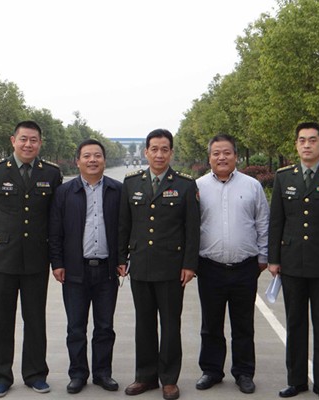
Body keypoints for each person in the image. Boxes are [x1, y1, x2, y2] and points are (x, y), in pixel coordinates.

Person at [268, 122, 319, 400]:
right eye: (302, 140)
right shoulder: (284, 177)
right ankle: (296, 381)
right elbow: (277, 221)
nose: (307, 145)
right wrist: (273, 259)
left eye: (312, 140)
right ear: (296, 145)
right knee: (295, 324)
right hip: (291, 262)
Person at [0, 120, 62, 398]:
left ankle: (36, 374)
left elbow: (53, 215)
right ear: (13, 140)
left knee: (35, 319)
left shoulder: (51, 173)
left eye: (33, 140)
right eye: (23, 139)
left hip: (36, 257)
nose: (28, 144)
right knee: (0, 319)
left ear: (40, 143)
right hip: (2, 257)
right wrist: (9, 235)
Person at [118, 128, 200, 400]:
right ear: (146, 152)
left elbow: (192, 229)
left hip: (171, 268)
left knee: (170, 324)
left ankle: (169, 379)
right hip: (140, 264)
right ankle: (145, 376)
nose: (159, 154)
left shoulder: (185, 185)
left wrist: (190, 265)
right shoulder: (131, 183)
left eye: (165, 149)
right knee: (144, 323)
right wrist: (121, 258)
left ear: (171, 153)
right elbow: (123, 224)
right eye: (154, 149)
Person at [194, 134, 269, 394]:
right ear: (209, 158)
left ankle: (244, 372)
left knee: (243, 324)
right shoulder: (198, 187)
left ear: (236, 156)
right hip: (209, 267)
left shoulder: (252, 186)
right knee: (210, 324)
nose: (222, 157)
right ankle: (211, 370)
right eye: (216, 153)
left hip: (245, 267)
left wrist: (263, 257)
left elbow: (263, 223)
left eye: (227, 152)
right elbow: (191, 226)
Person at [48, 139, 122, 394]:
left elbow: (124, 229)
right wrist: (57, 263)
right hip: (74, 270)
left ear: (104, 160)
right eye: (87, 156)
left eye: (97, 156)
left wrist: (122, 259)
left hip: (107, 270)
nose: (92, 160)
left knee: (105, 327)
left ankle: (103, 373)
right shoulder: (64, 192)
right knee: (76, 328)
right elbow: (55, 232)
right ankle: (78, 374)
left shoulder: (117, 190)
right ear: (77, 161)